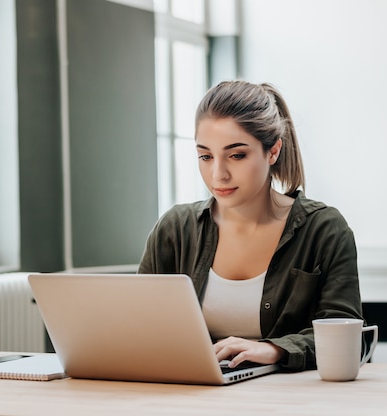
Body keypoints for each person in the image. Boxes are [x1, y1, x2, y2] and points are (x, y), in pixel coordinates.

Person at [138, 80, 363, 372]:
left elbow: (347, 336)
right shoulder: (175, 229)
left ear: (273, 151)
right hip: (191, 394)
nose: (218, 174)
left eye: (236, 155)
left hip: (292, 400)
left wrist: (274, 349)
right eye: (205, 156)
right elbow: (140, 326)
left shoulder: (324, 229)